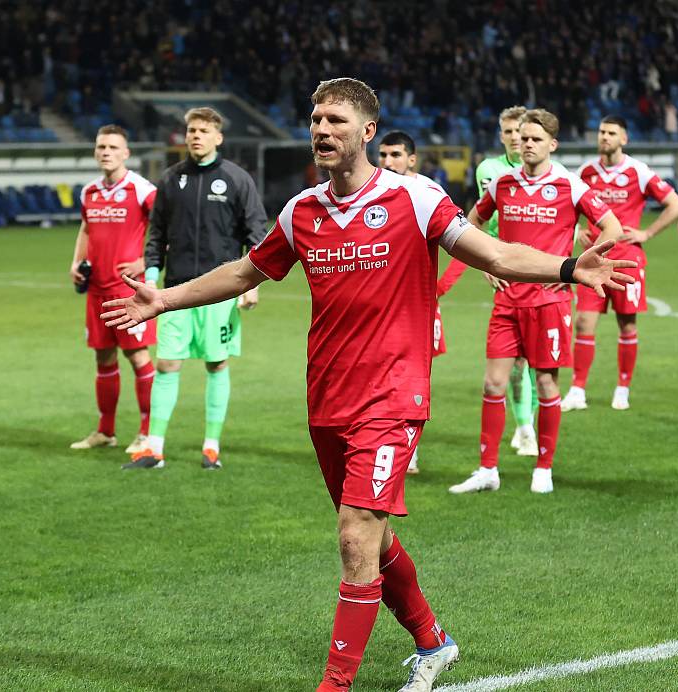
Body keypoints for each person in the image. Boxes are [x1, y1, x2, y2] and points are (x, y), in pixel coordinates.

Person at [99, 76, 634, 692]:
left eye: (335, 121)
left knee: (355, 533)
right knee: (373, 539)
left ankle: (336, 683)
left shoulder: (416, 198)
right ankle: (433, 642)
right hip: (327, 397)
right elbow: (249, 269)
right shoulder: (301, 212)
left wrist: (569, 268)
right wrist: (163, 299)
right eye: (315, 119)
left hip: (393, 394)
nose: (321, 130)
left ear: (368, 131)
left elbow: (494, 255)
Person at [449, 108, 622, 496]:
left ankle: (543, 467)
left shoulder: (570, 185)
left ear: (552, 145)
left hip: (549, 301)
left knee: (545, 384)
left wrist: (583, 263)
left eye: (535, 139)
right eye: (522, 138)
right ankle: (487, 469)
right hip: (507, 301)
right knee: (493, 382)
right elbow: (470, 224)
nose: (525, 144)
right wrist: (484, 264)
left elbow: (612, 226)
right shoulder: (502, 183)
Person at [132, 107, 268, 470]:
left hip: (219, 291)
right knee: (166, 364)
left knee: (216, 363)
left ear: (218, 137)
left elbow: (257, 235)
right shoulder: (170, 180)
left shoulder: (237, 180)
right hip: (174, 290)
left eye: (204, 131)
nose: (196, 136)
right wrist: (150, 280)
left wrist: (251, 284)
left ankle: (211, 447)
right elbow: (156, 235)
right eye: (192, 130)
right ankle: (154, 449)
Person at [563, 115, 678, 411]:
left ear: (624, 139)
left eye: (611, 133)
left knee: (627, 325)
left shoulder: (638, 171)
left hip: (627, 260)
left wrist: (648, 232)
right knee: (583, 323)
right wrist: (577, 229)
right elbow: (571, 206)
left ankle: (623, 387)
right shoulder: (586, 171)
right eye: (602, 132)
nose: (604, 137)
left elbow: (676, 205)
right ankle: (578, 390)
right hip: (593, 260)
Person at [439, 106, 540, 457]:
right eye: (509, 131)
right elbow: (478, 219)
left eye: (521, 132)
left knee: (534, 363)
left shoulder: (546, 173)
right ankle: (526, 428)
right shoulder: (491, 171)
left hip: (533, 265)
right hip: (498, 261)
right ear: (501, 135)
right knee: (514, 364)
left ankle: (528, 425)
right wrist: (487, 264)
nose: (515, 137)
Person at [68, 125, 159, 455]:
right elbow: (85, 229)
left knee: (138, 358)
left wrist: (143, 261)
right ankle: (105, 431)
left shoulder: (142, 189)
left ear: (126, 153)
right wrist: (76, 262)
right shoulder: (89, 192)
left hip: (130, 293)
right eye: (100, 146)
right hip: (97, 291)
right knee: (103, 358)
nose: (105, 151)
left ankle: (148, 432)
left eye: (112, 147)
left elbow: (165, 229)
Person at [378, 130, 442, 474]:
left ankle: (408, 451)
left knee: (414, 378)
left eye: (396, 155)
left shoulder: (428, 192)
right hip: (381, 308)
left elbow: (458, 240)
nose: (388, 162)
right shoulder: (370, 190)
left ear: (411, 159)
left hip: (418, 308)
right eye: (383, 155)